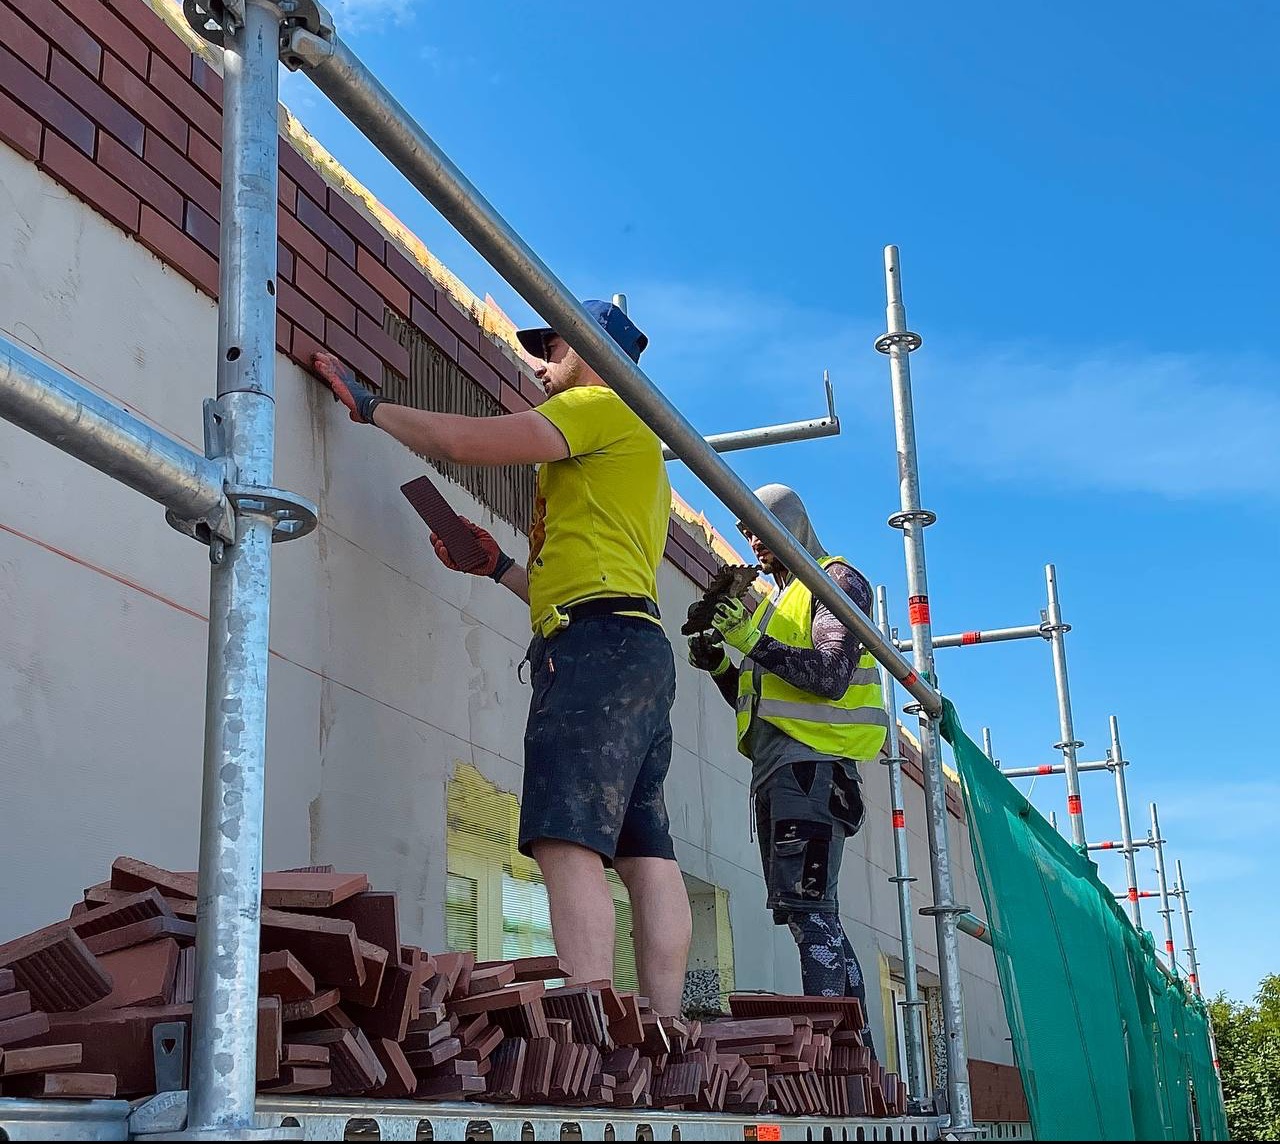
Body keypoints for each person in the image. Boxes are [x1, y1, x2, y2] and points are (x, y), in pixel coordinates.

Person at [310, 300, 691, 1015]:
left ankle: (590, 1026)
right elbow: (587, 575)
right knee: (645, 850)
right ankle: (664, 1030)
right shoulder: (636, 449)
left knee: (565, 838)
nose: (539, 362)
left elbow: (458, 442)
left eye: (553, 346)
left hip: (593, 649)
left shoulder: (598, 406)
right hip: (634, 646)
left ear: (595, 352)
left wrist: (370, 407)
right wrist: (499, 568)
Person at [688, 484, 888, 1023]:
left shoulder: (834, 580)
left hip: (813, 773)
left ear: (793, 523)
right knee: (814, 916)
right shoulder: (782, 603)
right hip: (790, 773)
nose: (752, 540)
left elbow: (830, 676)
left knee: (811, 914)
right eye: (745, 531)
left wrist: (750, 641)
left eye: (760, 526)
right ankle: (854, 1052)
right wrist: (721, 665)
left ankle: (831, 1051)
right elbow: (767, 704)